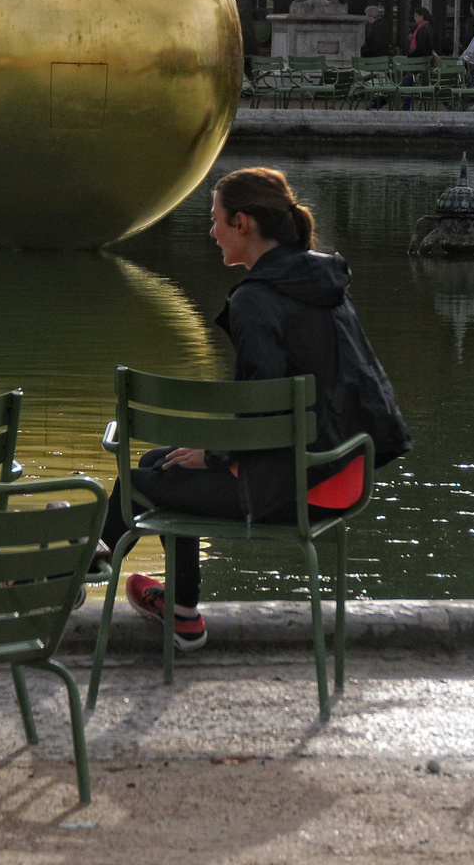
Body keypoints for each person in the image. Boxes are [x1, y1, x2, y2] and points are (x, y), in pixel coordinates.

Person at [107, 168, 411, 650]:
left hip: (298, 486)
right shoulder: (320, 278)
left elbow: (266, 408)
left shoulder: (256, 299)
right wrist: (216, 452)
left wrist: (215, 456)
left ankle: (52, 584)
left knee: (135, 484)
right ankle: (181, 611)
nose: (211, 232)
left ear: (242, 223)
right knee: (157, 463)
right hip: (345, 470)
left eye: (216, 220)